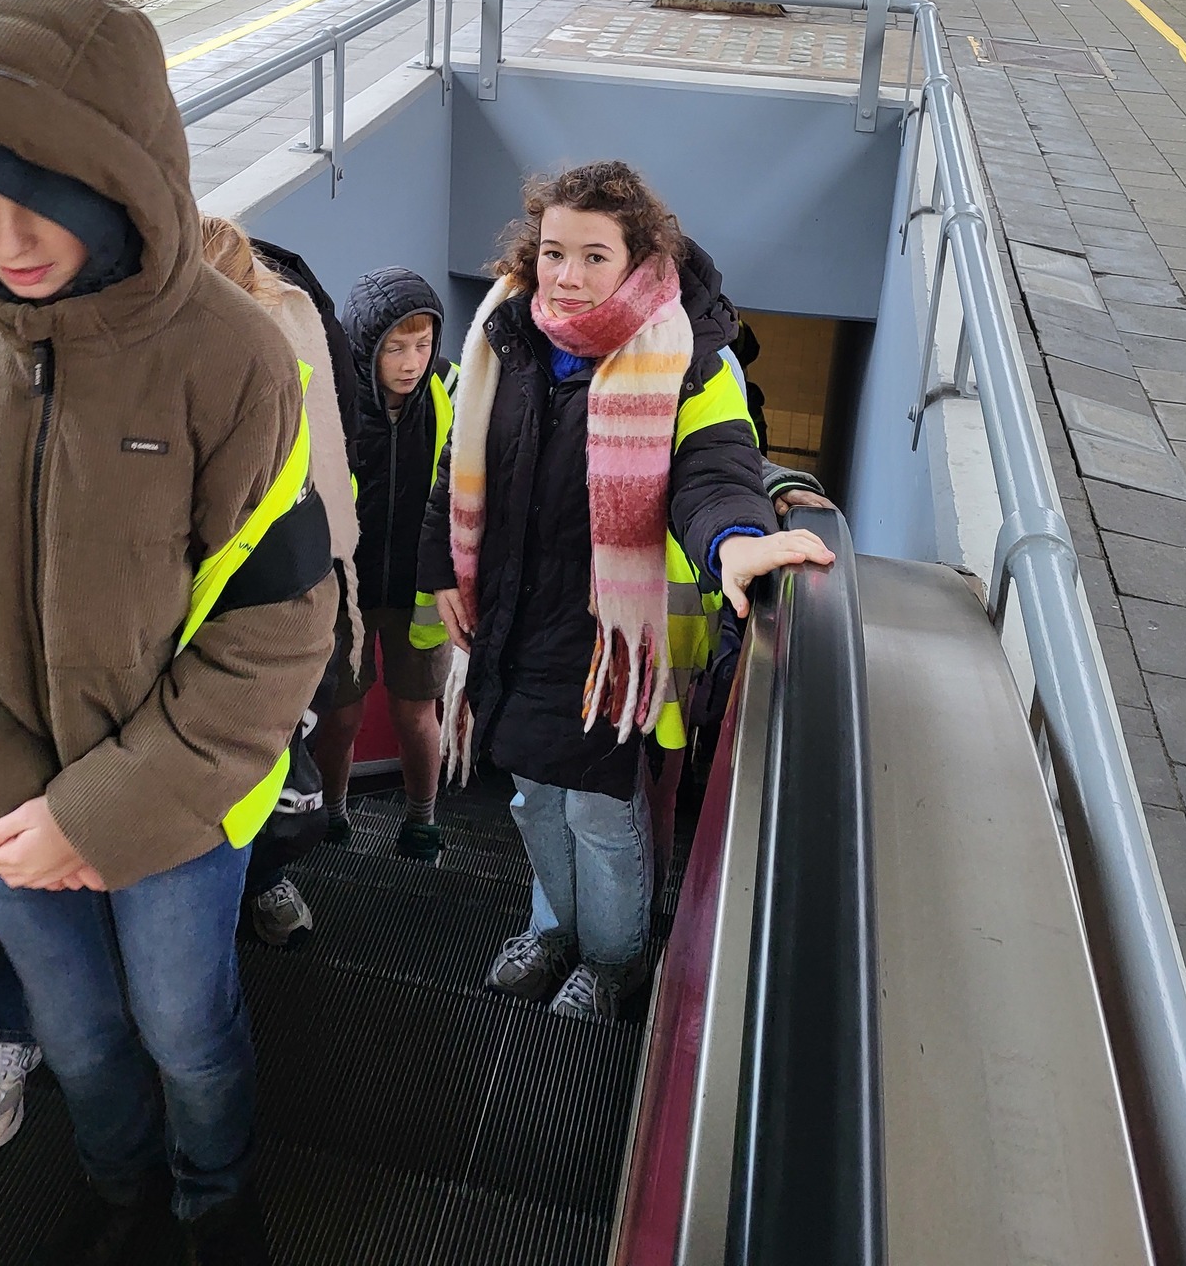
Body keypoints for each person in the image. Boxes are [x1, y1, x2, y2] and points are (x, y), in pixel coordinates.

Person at [0, 0, 338, 1266]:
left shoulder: (234, 358)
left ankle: (215, 1202)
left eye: (36, 191)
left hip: (186, 805)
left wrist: (101, 814)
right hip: (3, 803)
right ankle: (122, 1195)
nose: (5, 238)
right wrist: (10, 799)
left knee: (186, 1030)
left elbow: (280, 624)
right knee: (83, 1036)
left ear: (120, 168)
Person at [418, 161, 834, 1021]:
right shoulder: (506, 332)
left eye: (594, 256)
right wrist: (440, 569)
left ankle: (614, 961)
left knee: (602, 813)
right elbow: (459, 464)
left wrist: (736, 542)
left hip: (610, 638)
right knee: (534, 798)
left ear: (639, 256)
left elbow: (714, 469)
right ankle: (554, 932)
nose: (566, 276)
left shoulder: (688, 356)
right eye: (553, 252)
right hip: (513, 620)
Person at [200, 214, 361, 946]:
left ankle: (260, 879)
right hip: (184, 600)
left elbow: (333, 459)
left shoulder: (294, 328)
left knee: (276, 762)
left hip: (285, 582)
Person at [319, 271, 456, 861]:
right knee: (340, 714)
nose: (411, 362)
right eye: (395, 348)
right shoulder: (331, 397)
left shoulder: (452, 391)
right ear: (365, 347)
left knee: (416, 712)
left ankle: (422, 820)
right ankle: (331, 815)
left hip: (420, 591)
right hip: (344, 589)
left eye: (423, 344)